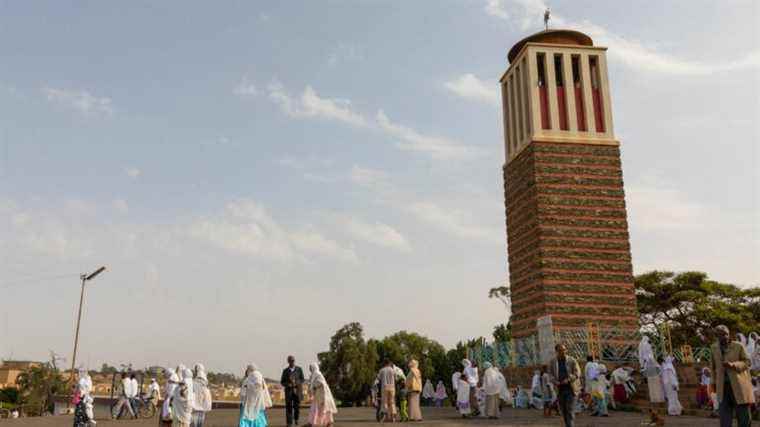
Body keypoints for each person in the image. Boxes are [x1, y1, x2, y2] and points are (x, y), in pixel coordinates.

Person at [711, 324, 754, 427]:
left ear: (729, 334)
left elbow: (747, 362)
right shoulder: (714, 347)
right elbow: (713, 367)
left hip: (739, 386)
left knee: (743, 417)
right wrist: (713, 383)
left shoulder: (738, 346)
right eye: (721, 335)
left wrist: (734, 365)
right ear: (716, 336)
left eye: (726, 334)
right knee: (724, 418)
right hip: (722, 387)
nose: (724, 337)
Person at [549, 343, 581, 427]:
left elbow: (577, 373)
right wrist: (555, 381)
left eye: (564, 350)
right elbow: (550, 375)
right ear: (556, 351)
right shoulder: (552, 362)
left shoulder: (572, 360)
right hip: (560, 389)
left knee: (570, 410)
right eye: (560, 350)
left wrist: (569, 379)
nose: (563, 352)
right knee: (563, 411)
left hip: (571, 389)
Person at [306, 363, 337, 427]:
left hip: (322, 395)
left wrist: (314, 386)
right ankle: (313, 422)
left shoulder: (318, 374)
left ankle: (326, 423)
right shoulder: (314, 375)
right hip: (318, 394)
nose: (310, 369)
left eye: (310, 368)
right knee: (316, 408)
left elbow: (321, 382)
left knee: (322, 409)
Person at [280, 356, 305, 427]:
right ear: (288, 361)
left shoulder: (299, 369)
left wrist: (297, 382)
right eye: (290, 361)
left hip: (297, 391)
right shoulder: (285, 371)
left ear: (294, 361)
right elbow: (282, 382)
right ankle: (289, 423)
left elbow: (302, 379)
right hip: (289, 392)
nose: (292, 362)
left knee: (297, 407)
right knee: (288, 407)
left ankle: (296, 419)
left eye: (293, 360)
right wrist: (288, 384)